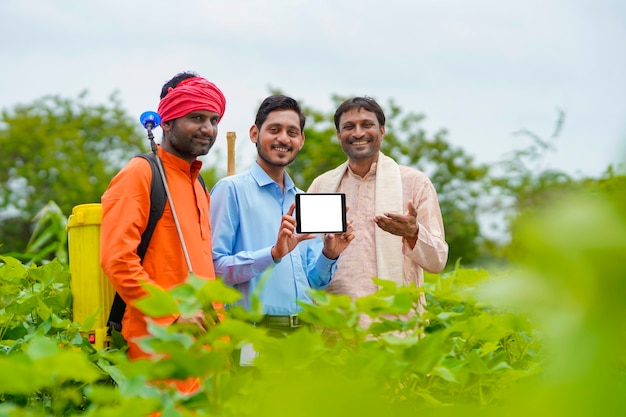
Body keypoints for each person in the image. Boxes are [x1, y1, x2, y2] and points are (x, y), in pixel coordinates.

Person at [100, 71, 226, 390]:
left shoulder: (199, 183)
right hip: (159, 349)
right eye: (196, 117)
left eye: (213, 120)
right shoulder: (140, 174)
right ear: (166, 122)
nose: (207, 128)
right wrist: (172, 314)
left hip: (206, 349)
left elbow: (202, 269)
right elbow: (117, 260)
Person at [209, 94, 354, 338]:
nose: (283, 139)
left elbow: (312, 282)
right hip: (252, 334)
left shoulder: (301, 199)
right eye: (274, 130)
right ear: (255, 134)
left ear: (301, 140)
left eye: (292, 132)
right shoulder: (230, 190)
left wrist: (330, 254)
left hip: (302, 334)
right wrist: (273, 254)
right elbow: (214, 269)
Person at [308, 96, 448, 326]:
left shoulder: (414, 183)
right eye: (349, 127)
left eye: (367, 124)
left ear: (382, 130)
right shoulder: (322, 186)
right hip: (335, 329)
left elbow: (438, 261)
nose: (358, 132)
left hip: (395, 329)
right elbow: (306, 261)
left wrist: (413, 233)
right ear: (338, 135)